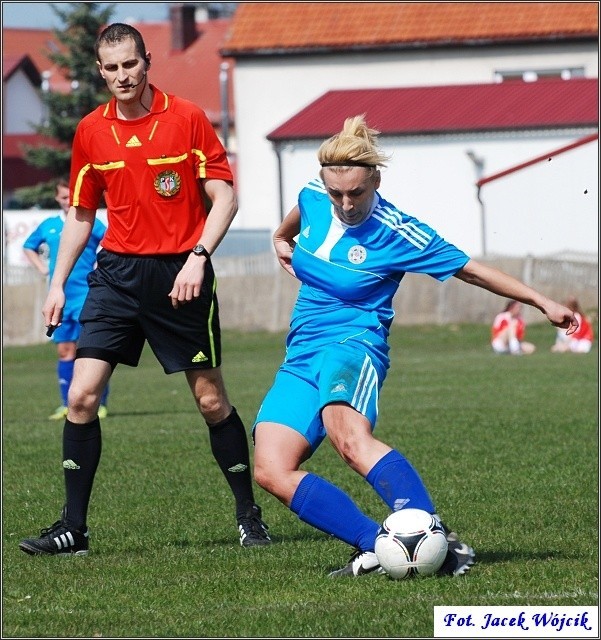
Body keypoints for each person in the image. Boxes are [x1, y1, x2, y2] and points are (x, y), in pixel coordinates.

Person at [251, 115, 578, 578]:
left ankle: (435, 539)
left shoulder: (400, 232)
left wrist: (541, 301)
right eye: (336, 193)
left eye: (357, 193)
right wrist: (280, 240)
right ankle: (376, 547)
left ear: (376, 180)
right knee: (270, 468)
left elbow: (471, 269)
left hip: (354, 344)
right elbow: (293, 222)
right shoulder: (312, 194)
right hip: (301, 352)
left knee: (347, 437)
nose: (345, 203)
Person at [19, 23, 270, 556]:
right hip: (115, 277)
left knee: (209, 400)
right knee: (82, 396)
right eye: (110, 68)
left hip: (180, 276)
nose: (121, 76)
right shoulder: (90, 131)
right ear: (99, 71)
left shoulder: (188, 119)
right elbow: (82, 214)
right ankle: (73, 528)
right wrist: (57, 283)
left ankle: (249, 514)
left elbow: (224, 198)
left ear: (146, 61)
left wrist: (198, 258)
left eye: (129, 64)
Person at [23, 178, 110, 420]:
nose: (67, 201)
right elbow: (29, 246)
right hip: (60, 297)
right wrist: (42, 268)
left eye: (70, 196)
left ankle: (99, 403)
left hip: (87, 295)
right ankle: (67, 404)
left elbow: (109, 242)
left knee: (91, 353)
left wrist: (98, 264)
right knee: (65, 351)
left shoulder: (91, 222)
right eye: (63, 197)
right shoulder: (49, 225)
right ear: (56, 198)